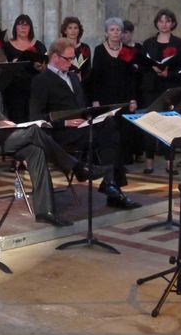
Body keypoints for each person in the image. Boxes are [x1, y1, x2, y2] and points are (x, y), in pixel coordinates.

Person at [0, 44, 94, 227]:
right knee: (35, 131)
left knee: (35, 150)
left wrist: (9, 123)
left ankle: (45, 211)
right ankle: (75, 166)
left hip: (4, 136)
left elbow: (4, 114)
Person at [29, 38, 141, 210]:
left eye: (73, 58)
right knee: (105, 138)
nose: (71, 62)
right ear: (55, 57)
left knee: (110, 125)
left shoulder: (73, 77)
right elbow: (36, 116)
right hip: (61, 132)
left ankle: (109, 181)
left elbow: (81, 105)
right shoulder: (42, 80)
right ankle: (111, 188)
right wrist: (66, 122)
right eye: (68, 59)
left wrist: (94, 116)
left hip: (82, 126)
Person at [139, 8, 181, 174]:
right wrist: (152, 67)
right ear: (156, 23)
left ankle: (169, 162)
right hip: (151, 87)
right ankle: (149, 162)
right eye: (161, 21)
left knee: (169, 124)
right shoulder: (148, 43)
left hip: (169, 87)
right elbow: (142, 66)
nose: (164, 24)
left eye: (167, 21)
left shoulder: (179, 43)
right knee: (150, 123)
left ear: (173, 23)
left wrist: (169, 73)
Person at [2, 14, 46, 123]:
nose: (23, 28)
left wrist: (41, 66)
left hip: (35, 88)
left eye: (26, 25)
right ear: (15, 27)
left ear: (30, 28)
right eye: (20, 25)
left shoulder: (38, 45)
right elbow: (2, 69)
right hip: (14, 90)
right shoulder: (7, 46)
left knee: (34, 118)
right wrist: (12, 65)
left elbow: (46, 65)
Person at [60, 16, 92, 80]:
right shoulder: (59, 47)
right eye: (70, 28)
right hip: (63, 84)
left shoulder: (85, 48)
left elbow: (88, 70)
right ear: (65, 31)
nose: (73, 31)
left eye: (75, 28)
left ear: (79, 31)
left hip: (82, 86)